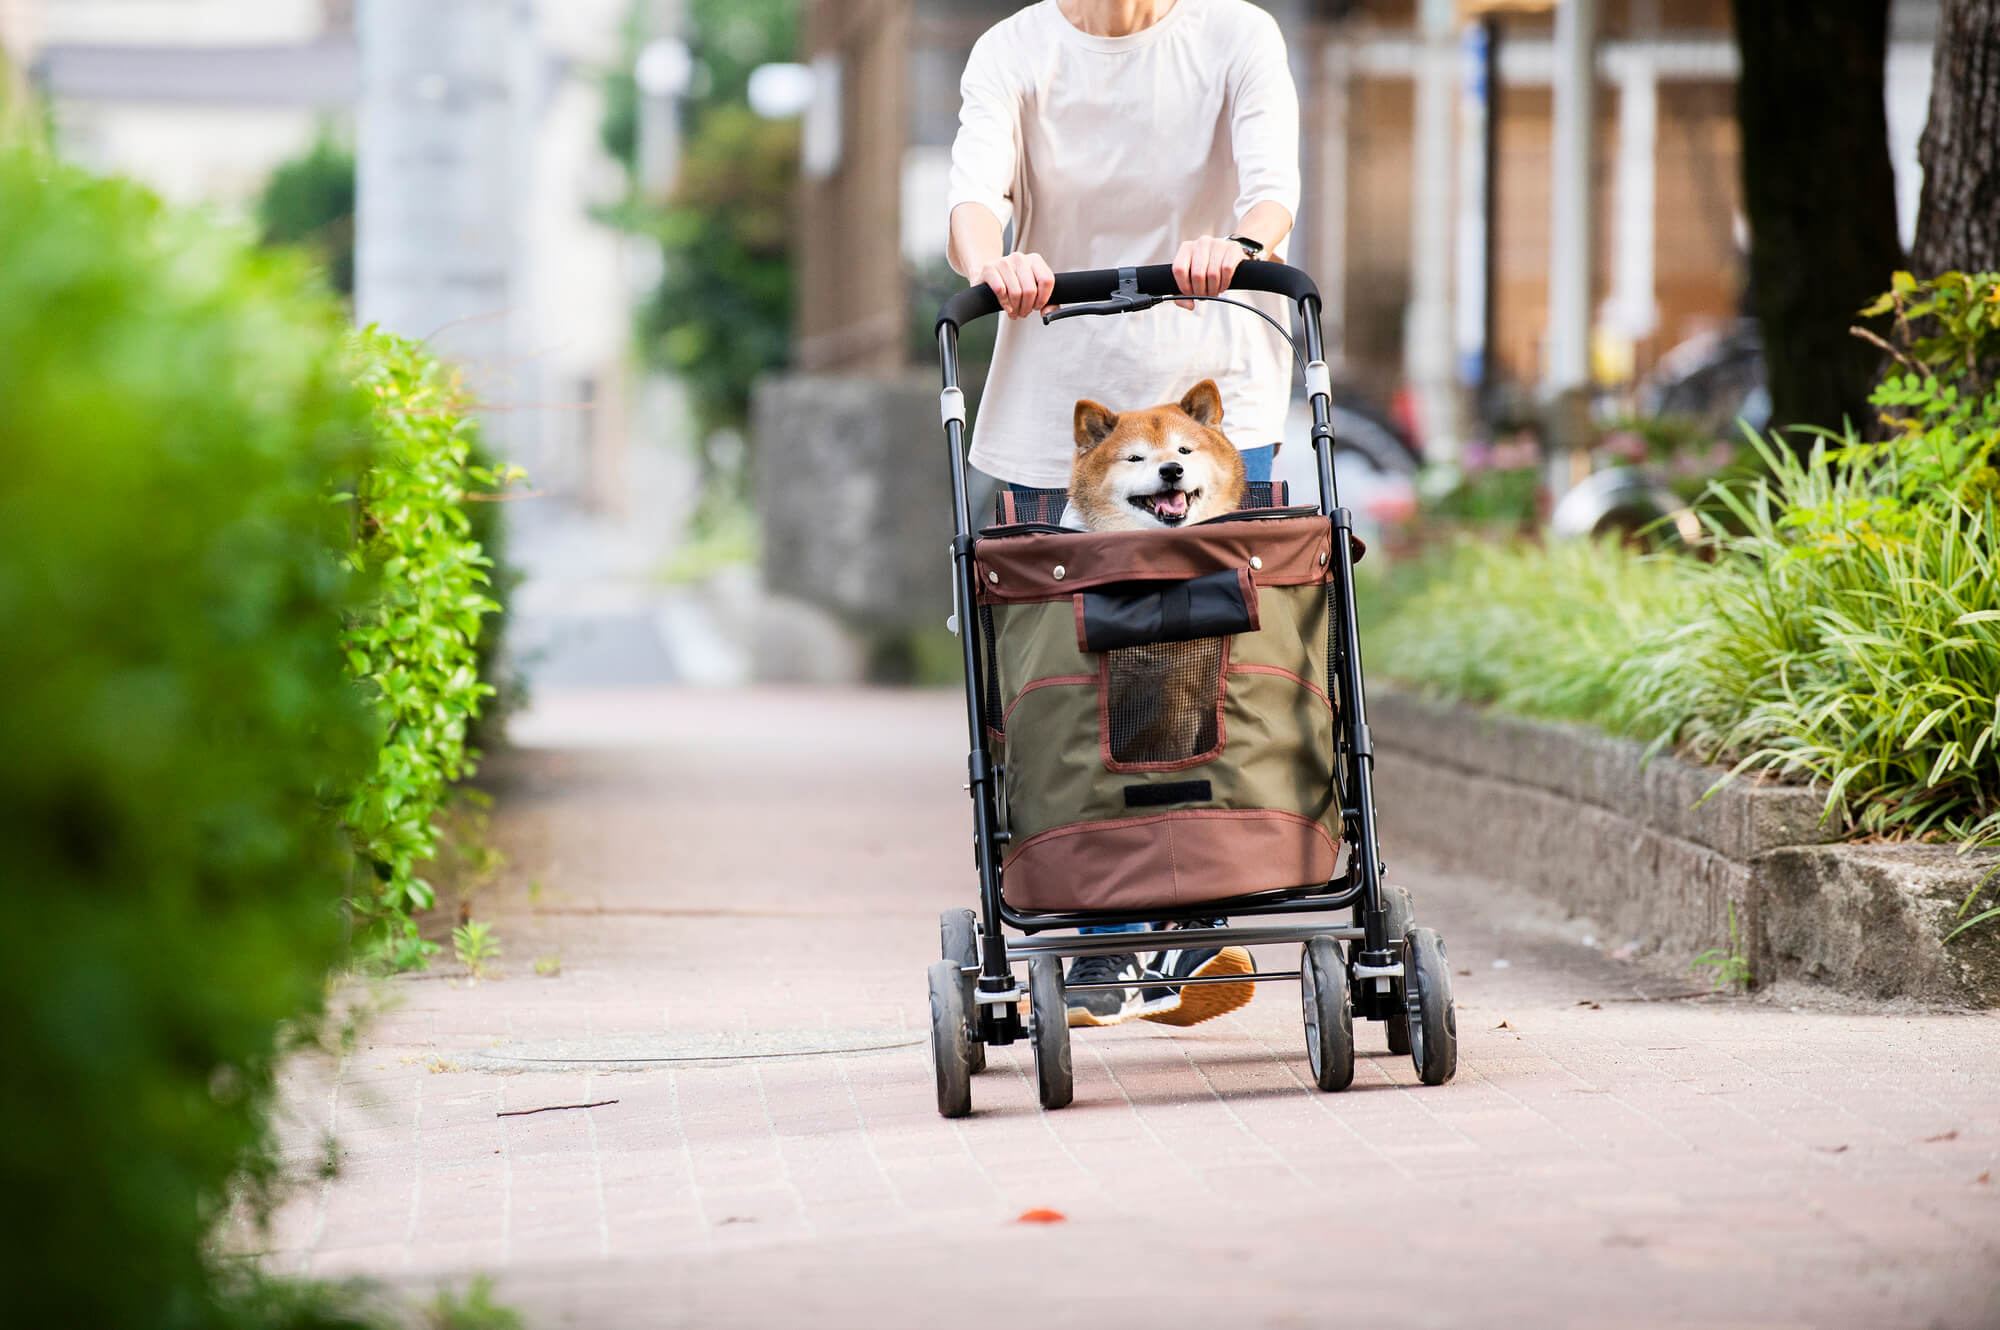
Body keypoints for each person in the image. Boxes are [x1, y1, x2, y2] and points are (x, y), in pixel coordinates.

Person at [946, 0, 1301, 1027]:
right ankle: (1094, 935)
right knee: (1068, 682)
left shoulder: (1234, 35)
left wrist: (1235, 242)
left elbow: (1270, 185)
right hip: (1055, 415)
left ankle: (1203, 919)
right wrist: (992, 264)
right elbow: (973, 193)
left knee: (1212, 669)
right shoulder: (1013, 52)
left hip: (1217, 398)